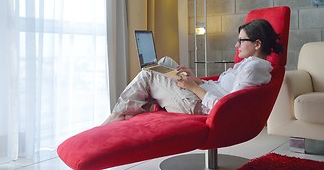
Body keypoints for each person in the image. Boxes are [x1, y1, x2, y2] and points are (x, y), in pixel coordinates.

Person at [102, 19, 284, 125]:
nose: (236, 46)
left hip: (198, 107)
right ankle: (131, 112)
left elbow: (229, 108)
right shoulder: (249, 64)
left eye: (241, 41)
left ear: (257, 44)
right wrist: (195, 79)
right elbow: (221, 87)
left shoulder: (253, 68)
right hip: (199, 96)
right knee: (165, 62)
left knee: (149, 73)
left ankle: (117, 117)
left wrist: (192, 87)